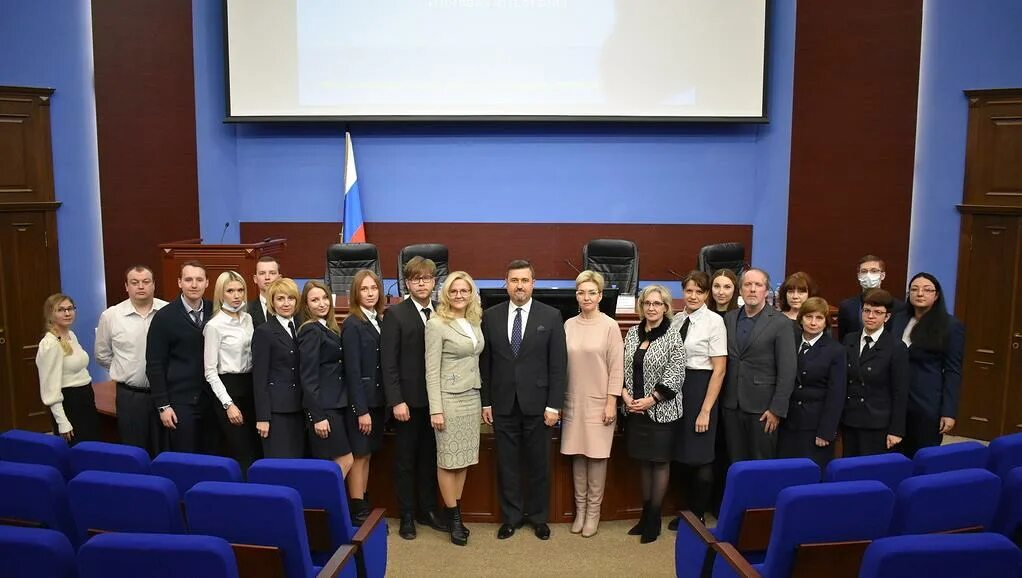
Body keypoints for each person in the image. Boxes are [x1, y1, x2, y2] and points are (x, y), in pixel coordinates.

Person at [480, 259, 567, 541]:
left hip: (539, 406)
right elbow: (486, 363)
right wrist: (486, 401)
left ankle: (539, 518)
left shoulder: (551, 316)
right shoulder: (490, 316)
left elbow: (558, 365)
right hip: (503, 404)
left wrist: (554, 405)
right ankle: (512, 517)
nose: (519, 286)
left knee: (539, 464)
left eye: (524, 280)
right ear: (505, 284)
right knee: (507, 464)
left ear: (533, 283)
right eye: (514, 280)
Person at [381, 256, 448, 540]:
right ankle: (407, 514)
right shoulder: (396, 314)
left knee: (430, 458)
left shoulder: (443, 313)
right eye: (416, 278)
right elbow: (389, 362)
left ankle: (427, 510)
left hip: (436, 403)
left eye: (427, 278)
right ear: (407, 283)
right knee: (406, 460)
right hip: (407, 403)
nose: (422, 283)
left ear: (434, 282)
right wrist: (396, 400)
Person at [560, 270, 623, 538]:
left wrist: (611, 402)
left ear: (600, 296)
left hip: (600, 402)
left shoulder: (610, 325)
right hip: (573, 400)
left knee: (596, 458)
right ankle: (580, 510)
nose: (586, 297)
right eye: (581, 292)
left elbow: (616, 368)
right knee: (577, 456)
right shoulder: (568, 325)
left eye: (591, 292)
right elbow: (560, 367)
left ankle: (593, 513)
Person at [426, 271, 485, 546]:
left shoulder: (474, 321)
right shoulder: (436, 324)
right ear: (445, 294)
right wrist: (435, 409)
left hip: (472, 396)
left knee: (463, 459)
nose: (459, 295)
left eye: (464, 290)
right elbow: (431, 370)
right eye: (454, 291)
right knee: (448, 460)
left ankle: (454, 511)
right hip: (448, 400)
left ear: (471, 293)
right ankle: (455, 517)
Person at [622, 284, 685, 544]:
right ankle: (645, 515)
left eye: (657, 304)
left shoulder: (672, 334)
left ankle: (655, 519)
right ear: (641, 306)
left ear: (666, 308)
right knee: (644, 463)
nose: (651, 308)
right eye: (647, 303)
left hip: (663, 411)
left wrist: (652, 399)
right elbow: (624, 367)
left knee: (659, 463)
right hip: (636, 411)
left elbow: (677, 372)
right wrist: (626, 395)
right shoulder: (633, 334)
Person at [667, 271, 725, 531]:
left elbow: (720, 369)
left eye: (698, 292)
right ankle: (686, 513)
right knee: (681, 454)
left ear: (706, 295)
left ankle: (698, 516)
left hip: (701, 389)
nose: (692, 296)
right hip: (678, 388)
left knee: (700, 457)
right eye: (688, 291)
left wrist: (706, 410)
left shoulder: (714, 322)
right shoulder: (677, 319)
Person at [721, 268, 797, 462]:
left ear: (767, 291)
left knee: (761, 463)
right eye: (747, 285)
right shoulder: (729, 318)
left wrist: (777, 410)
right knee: (734, 463)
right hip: (731, 406)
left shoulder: (781, 323)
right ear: (740, 290)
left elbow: (787, 371)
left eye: (758, 285)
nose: (752, 289)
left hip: (763, 410)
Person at [95, 265, 168, 456]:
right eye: (134, 283)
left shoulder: (167, 311)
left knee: (165, 449)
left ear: (153, 285)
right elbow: (102, 354)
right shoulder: (111, 316)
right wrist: (125, 370)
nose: (140, 287)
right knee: (134, 451)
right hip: (130, 396)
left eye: (146, 282)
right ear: (126, 286)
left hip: (165, 394)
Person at [891, 273, 965, 457]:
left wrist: (949, 411)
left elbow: (952, 370)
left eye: (927, 290)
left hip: (926, 402)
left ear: (937, 295)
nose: (920, 293)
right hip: (895, 399)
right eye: (914, 289)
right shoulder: (898, 319)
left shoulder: (950, 325)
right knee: (893, 454)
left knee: (922, 454)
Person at [146, 261, 217, 453]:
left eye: (199, 279)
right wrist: (163, 405)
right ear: (179, 283)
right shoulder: (164, 317)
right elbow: (155, 365)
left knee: (212, 456)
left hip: (212, 400)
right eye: (188, 279)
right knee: (187, 457)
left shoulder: (215, 312)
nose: (194, 285)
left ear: (207, 283)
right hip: (180, 403)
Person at [202, 271, 261, 472]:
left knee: (256, 448)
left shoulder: (248, 319)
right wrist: (228, 405)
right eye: (230, 291)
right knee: (242, 452)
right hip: (228, 391)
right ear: (221, 294)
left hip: (250, 388)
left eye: (240, 290)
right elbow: (210, 371)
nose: (236, 295)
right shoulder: (214, 326)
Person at [777, 297, 846, 468]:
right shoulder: (789, 343)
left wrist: (826, 431)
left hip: (815, 425)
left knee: (811, 473)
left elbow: (836, 394)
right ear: (800, 319)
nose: (813, 322)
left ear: (826, 322)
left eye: (819, 318)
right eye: (809, 317)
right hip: (788, 422)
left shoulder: (835, 350)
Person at [341, 270, 387, 525]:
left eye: (374, 288)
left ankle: (363, 502)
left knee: (367, 454)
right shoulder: (352, 324)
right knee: (359, 456)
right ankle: (357, 509)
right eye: (364, 289)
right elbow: (352, 371)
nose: (370, 293)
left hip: (377, 401)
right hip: (362, 404)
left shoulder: (378, 319)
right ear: (355, 294)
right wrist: (361, 410)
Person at [841, 289, 909, 457]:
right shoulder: (849, 340)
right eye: (867, 311)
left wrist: (896, 430)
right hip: (850, 418)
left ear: (887, 317)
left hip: (877, 422)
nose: (870, 316)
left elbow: (900, 392)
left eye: (877, 312)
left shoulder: (896, 347)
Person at [298, 280, 353, 472]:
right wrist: (317, 416)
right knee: (344, 461)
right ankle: (325, 501)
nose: (321, 303)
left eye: (324, 298)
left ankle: (326, 502)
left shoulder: (327, 327)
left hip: (336, 404)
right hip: (324, 408)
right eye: (314, 300)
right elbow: (308, 377)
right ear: (306, 305)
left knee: (332, 463)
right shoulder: (310, 331)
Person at [36, 293, 100, 445]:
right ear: (51, 314)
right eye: (61, 310)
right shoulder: (50, 344)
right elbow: (50, 388)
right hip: (69, 403)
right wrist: (62, 421)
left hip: (85, 398)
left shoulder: (70, 335)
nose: (67, 313)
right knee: (77, 449)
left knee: (92, 446)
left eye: (70, 309)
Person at [253, 277, 306, 458]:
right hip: (276, 411)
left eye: (290, 298)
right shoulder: (264, 331)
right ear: (272, 302)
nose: (286, 303)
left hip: (300, 408)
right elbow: (260, 378)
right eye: (280, 299)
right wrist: (263, 417)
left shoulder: (301, 327)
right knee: (279, 463)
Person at [837, 255, 905, 342]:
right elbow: (842, 339)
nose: (868, 275)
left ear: (882, 275)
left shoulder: (898, 306)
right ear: (859, 276)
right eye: (864, 271)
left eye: (874, 271)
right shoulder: (846, 306)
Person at [248, 256, 281, 327]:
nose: (267, 277)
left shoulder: (293, 307)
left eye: (272, 273)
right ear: (255, 279)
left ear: (279, 278)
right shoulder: (247, 310)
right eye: (262, 273)